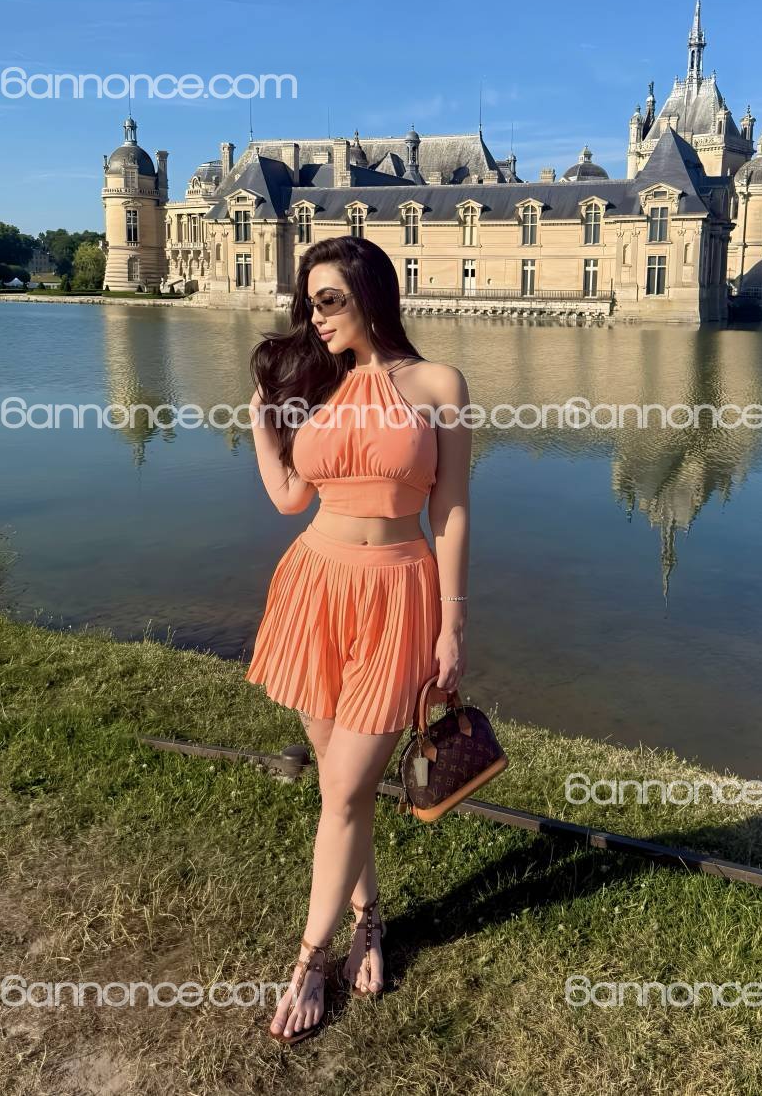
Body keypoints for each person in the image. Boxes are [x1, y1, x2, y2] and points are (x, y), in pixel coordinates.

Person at [245, 235, 472, 1044]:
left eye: (330, 299)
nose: (316, 316)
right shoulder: (317, 386)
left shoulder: (438, 384)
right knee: (341, 788)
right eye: (308, 303)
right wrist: (261, 419)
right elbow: (287, 496)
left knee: (344, 788)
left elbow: (450, 510)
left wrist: (453, 622)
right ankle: (368, 916)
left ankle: (310, 962)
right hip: (314, 585)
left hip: (399, 593)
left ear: (372, 294)